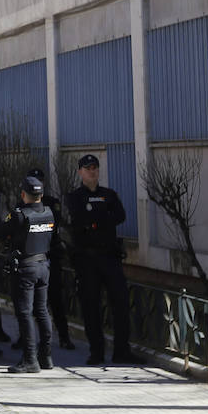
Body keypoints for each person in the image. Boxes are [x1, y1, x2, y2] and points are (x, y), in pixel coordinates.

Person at [64, 154, 133, 364]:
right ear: (80, 172)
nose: (92, 171)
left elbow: (120, 216)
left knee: (120, 303)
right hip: (87, 260)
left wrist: (95, 221)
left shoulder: (109, 194)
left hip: (109, 257)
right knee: (90, 306)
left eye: (95, 167)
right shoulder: (75, 197)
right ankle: (97, 351)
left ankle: (121, 351)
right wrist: (101, 220)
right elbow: (78, 221)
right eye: (87, 168)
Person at [0, 176, 55, 373]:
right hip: (43, 265)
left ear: (23, 194)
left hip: (25, 268)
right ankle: (46, 357)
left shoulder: (19, 214)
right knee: (42, 311)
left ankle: (30, 358)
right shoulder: (49, 213)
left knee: (25, 313)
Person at [27, 167, 76, 351]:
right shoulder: (22, 204)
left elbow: (53, 227)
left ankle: (63, 337)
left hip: (49, 258)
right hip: (31, 259)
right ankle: (26, 338)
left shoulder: (51, 204)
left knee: (55, 300)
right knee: (29, 303)